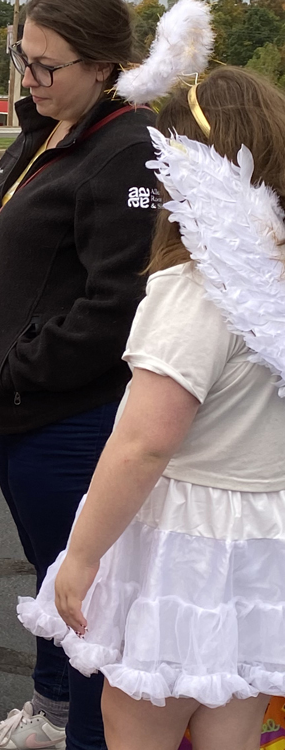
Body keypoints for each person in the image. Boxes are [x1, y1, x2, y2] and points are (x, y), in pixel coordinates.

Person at [18, 66, 285, 749]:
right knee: (233, 721)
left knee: (138, 719)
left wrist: (82, 555)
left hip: (186, 540)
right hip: (263, 537)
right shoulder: (276, 281)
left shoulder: (196, 289)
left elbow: (145, 443)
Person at [0, 0, 159, 747]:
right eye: (21, 58)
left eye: (45, 66)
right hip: (21, 413)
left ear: (103, 66)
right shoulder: (48, 129)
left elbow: (120, 304)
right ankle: (54, 711)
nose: (27, 78)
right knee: (51, 571)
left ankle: (87, 732)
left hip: (70, 419)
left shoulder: (125, 150)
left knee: (85, 592)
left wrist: (15, 367)